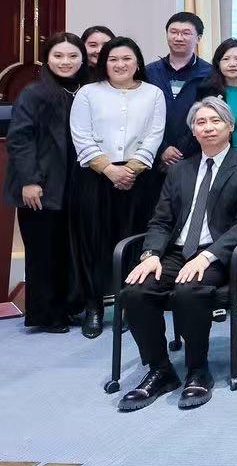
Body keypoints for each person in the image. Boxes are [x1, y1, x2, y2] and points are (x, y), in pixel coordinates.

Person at [115, 96, 237, 411]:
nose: (208, 128)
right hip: (175, 251)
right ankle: (160, 370)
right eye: (201, 122)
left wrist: (207, 257)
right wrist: (151, 254)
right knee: (135, 291)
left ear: (230, 126)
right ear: (193, 131)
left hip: (218, 254)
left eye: (215, 121)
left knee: (188, 290)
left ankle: (198, 369)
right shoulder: (180, 170)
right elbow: (161, 220)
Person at [69, 36, 165, 339]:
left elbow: (154, 135)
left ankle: (128, 305)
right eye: (113, 59)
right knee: (93, 242)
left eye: (126, 59)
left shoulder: (153, 93)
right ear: (103, 63)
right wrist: (110, 170)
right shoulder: (88, 93)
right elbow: (81, 135)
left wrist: (130, 170)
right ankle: (94, 307)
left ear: (138, 62)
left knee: (133, 242)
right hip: (95, 176)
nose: (120, 64)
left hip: (138, 179)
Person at [3, 32, 85, 333]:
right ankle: (46, 314)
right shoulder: (34, 93)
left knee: (69, 251)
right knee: (43, 252)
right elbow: (19, 139)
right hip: (42, 185)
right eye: (58, 56)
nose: (66, 62)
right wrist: (29, 180)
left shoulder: (86, 91)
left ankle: (69, 307)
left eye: (73, 56)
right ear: (47, 59)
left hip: (76, 184)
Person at [142, 12, 214, 225]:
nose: (179, 37)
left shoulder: (209, 74)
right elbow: (142, 116)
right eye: (173, 32)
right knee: (152, 218)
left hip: (193, 158)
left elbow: (209, 117)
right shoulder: (149, 72)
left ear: (198, 38)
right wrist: (162, 148)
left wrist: (181, 151)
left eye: (186, 33)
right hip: (152, 159)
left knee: (187, 219)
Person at [195, 38, 237, 161]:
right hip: (215, 158)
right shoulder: (207, 92)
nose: (232, 64)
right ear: (218, 63)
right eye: (226, 59)